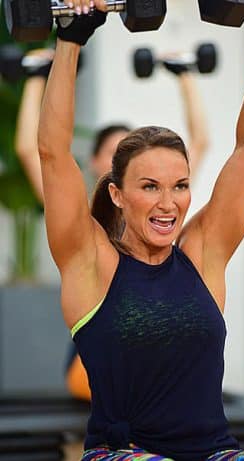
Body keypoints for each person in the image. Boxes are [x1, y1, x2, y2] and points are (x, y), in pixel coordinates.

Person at [38, 0, 244, 459]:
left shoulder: (202, 256)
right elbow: (53, 154)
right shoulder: (91, 263)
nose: (168, 204)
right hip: (123, 454)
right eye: (149, 187)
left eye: (180, 186)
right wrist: (69, 41)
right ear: (117, 194)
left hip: (214, 452)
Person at [15, 45, 210, 403]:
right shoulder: (78, 219)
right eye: (113, 152)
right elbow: (32, 149)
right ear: (94, 163)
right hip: (94, 363)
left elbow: (200, 142)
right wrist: (35, 78)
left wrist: (184, 74)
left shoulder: (162, 209)